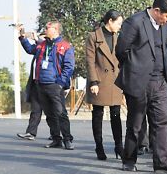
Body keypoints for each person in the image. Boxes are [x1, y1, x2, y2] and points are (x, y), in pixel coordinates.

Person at [115, 0, 167, 172]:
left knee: (162, 122)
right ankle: (129, 161)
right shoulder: (134, 22)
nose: (166, 20)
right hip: (138, 80)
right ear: (156, 10)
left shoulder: (166, 27)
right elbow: (121, 50)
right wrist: (136, 67)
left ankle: (162, 164)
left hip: (159, 81)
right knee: (136, 123)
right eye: (165, 16)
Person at [19, 21, 76, 150]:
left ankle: (67, 139)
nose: (45, 29)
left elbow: (69, 67)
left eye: (47, 28)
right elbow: (30, 49)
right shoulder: (42, 45)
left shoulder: (65, 46)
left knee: (60, 113)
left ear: (55, 30)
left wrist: (60, 83)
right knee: (49, 114)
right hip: (41, 84)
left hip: (55, 85)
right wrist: (22, 38)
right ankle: (56, 139)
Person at [85, 9, 124, 160]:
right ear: (110, 21)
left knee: (116, 114)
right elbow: (90, 61)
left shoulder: (118, 37)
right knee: (98, 114)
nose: (120, 26)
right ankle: (99, 146)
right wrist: (93, 81)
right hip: (99, 80)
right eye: (118, 23)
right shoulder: (93, 36)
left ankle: (119, 147)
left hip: (115, 80)